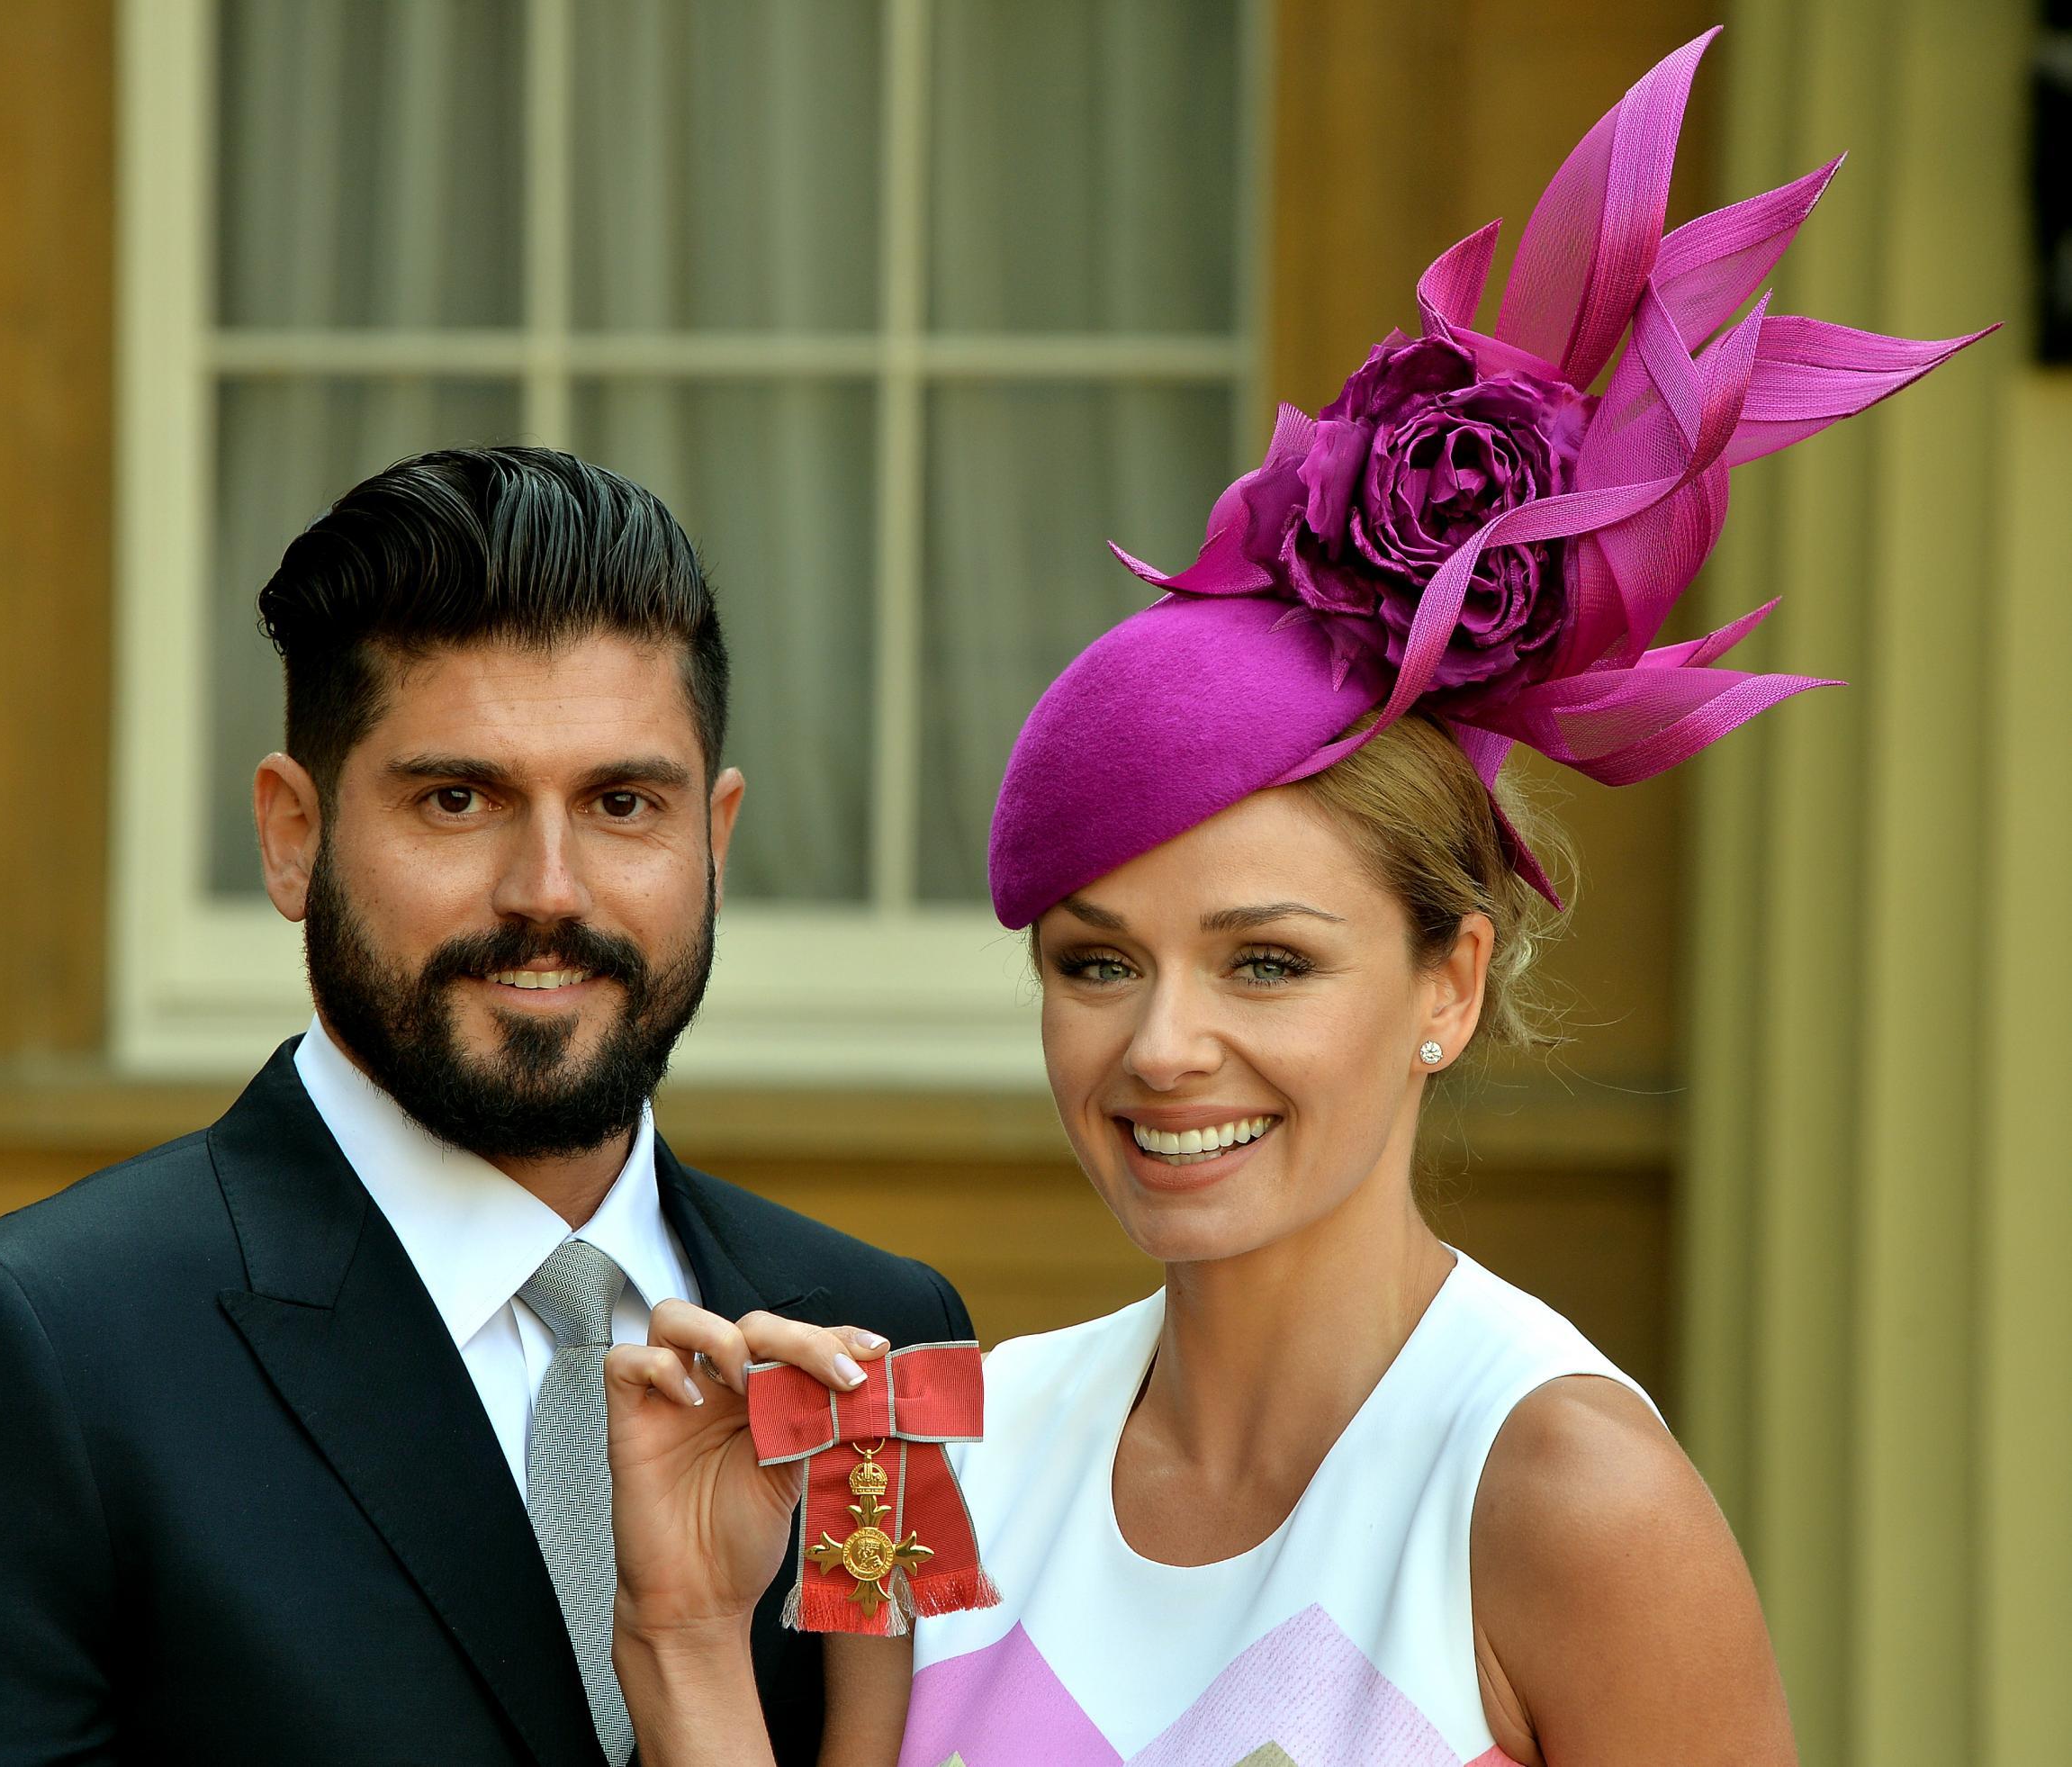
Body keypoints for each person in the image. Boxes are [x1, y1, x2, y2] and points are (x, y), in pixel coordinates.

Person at [590, 32, 1991, 1767]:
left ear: (1447, 986)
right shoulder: (922, 1460)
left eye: (1265, 961)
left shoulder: (1564, 1498)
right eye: (1096, 961)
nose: (1167, 1048)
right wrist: (680, 1634)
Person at [0, 447, 963, 1766]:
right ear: (291, 834)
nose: (549, 889)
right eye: (458, 798)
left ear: (715, 837)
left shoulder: (876, 1341)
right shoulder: (16, 1358)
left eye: (621, 803)